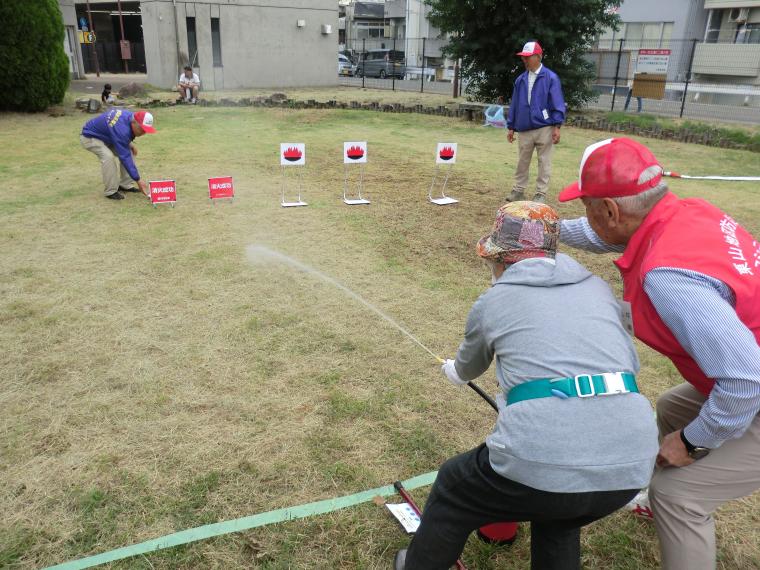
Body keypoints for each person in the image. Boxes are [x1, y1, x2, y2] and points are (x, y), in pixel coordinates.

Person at [394, 202, 659, 570]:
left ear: (501, 259)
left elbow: (465, 370)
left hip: (543, 456)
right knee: (559, 516)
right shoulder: (598, 289)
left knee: (454, 488)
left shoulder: (495, 300)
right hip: (631, 465)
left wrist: (452, 371)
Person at [557, 137, 760, 570]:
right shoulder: (684, 214)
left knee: (680, 497)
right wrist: (544, 228)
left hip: (753, 386)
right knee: (673, 404)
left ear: (611, 210)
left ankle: (674, 504)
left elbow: (745, 380)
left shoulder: (668, 276)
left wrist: (691, 442)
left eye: (590, 208)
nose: (588, 217)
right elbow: (607, 237)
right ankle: (662, 501)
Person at [506, 41, 566, 204]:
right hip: (524, 127)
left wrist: (557, 126)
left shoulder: (551, 78)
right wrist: (511, 126)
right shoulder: (520, 80)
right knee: (522, 160)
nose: (524, 60)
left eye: (528, 57)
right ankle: (518, 190)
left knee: (544, 161)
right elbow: (515, 104)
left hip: (544, 127)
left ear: (538, 57)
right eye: (523, 57)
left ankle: (541, 193)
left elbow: (557, 103)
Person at [80, 108, 156, 200]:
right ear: (134, 122)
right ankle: (110, 191)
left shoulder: (130, 117)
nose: (143, 133)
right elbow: (125, 155)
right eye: (141, 129)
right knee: (108, 157)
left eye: (146, 130)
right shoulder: (122, 129)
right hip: (90, 136)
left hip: (108, 136)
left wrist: (129, 143)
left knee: (130, 152)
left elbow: (118, 133)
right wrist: (138, 180)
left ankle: (125, 185)